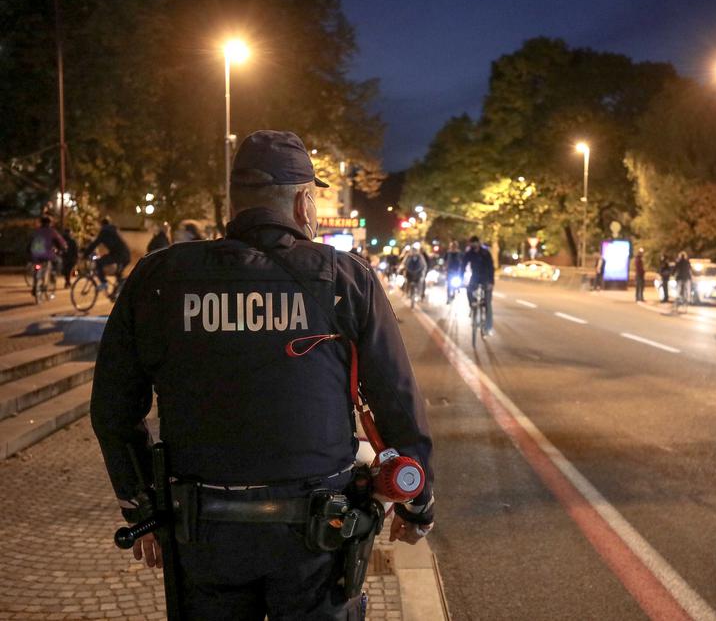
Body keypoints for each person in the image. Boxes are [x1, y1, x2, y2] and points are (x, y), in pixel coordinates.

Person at [90, 130, 435, 620]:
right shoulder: (346, 277)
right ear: (303, 203)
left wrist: (142, 505)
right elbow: (396, 400)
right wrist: (418, 503)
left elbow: (113, 408)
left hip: (203, 532)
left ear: (234, 203)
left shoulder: (159, 277)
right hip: (318, 537)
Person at [83, 217, 131, 291]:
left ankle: (104, 283)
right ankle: (117, 292)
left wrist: (85, 255)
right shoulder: (113, 230)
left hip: (119, 255)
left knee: (99, 263)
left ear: (102, 224)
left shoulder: (105, 231)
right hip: (125, 254)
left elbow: (95, 244)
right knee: (118, 274)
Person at [462, 236, 495, 335]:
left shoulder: (485, 253)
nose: (473, 245)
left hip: (486, 279)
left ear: (478, 243)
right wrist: (461, 277)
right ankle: (472, 305)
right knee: (469, 290)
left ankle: (488, 327)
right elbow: (463, 265)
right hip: (475, 278)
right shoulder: (469, 253)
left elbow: (491, 267)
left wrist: (491, 282)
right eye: (472, 243)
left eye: (475, 243)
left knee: (488, 303)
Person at [27, 216, 67, 294]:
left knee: (37, 267)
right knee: (55, 262)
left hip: (35, 254)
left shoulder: (36, 231)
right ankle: (52, 275)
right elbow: (60, 242)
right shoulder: (52, 232)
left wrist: (29, 252)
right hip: (47, 254)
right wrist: (63, 248)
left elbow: (30, 242)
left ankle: (35, 285)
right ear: (50, 223)